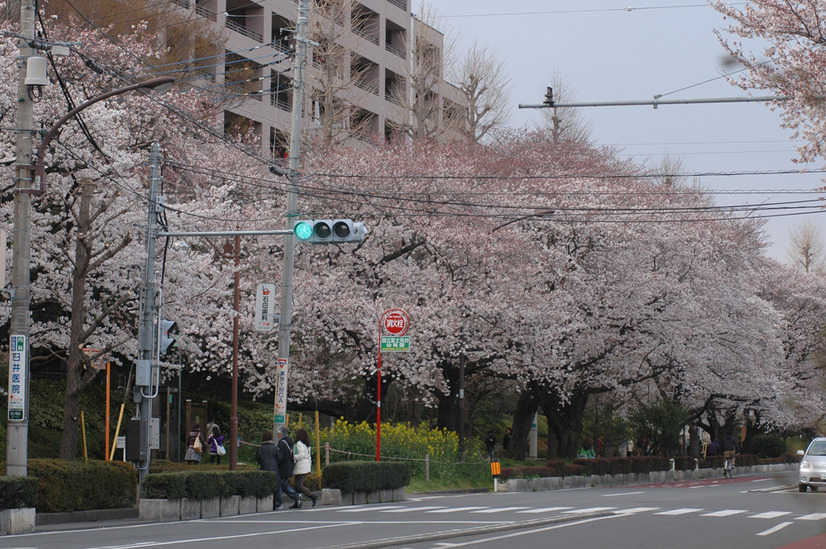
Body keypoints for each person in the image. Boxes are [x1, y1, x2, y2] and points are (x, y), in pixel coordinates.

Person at [275, 426, 302, 509]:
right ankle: (296, 497)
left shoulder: (282, 443)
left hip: (283, 468)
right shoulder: (289, 442)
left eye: (278, 433)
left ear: (280, 434)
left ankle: (279, 503)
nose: (277, 435)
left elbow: (280, 457)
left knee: (280, 485)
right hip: (288, 467)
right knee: (284, 485)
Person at [293, 428, 317, 507]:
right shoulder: (307, 444)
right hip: (306, 465)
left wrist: (293, 457)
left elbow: (302, 455)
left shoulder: (299, 443)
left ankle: (312, 496)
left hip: (300, 466)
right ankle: (297, 502)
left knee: (299, 485)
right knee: (297, 486)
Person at [256, 431, 281, 508]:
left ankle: (264, 502)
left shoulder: (260, 448)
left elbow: (258, 459)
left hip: (263, 468)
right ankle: (276, 503)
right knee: (275, 486)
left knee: (264, 485)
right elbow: (280, 458)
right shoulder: (275, 448)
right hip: (274, 468)